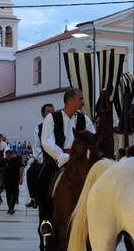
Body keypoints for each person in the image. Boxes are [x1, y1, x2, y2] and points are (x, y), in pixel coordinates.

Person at [39, 89, 95, 236]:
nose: (83, 102)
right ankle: (46, 220)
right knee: (42, 179)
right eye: (80, 99)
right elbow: (46, 141)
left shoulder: (84, 119)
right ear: (70, 100)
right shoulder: (52, 118)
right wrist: (61, 156)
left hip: (80, 160)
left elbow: (92, 138)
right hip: (57, 158)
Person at [26, 103, 54, 209]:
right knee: (30, 172)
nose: (50, 113)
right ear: (43, 114)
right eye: (48, 111)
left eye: (52, 111)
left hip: (60, 156)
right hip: (45, 157)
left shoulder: (58, 126)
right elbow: (37, 147)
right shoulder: (38, 129)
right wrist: (42, 158)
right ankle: (33, 198)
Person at [3, 150, 24, 214]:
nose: (7, 157)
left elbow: (21, 169)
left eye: (8, 155)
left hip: (14, 180)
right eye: (6, 155)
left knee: (14, 194)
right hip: (7, 180)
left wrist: (20, 179)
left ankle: (12, 207)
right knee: (8, 194)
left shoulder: (16, 160)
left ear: (11, 155)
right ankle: (10, 208)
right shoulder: (5, 160)